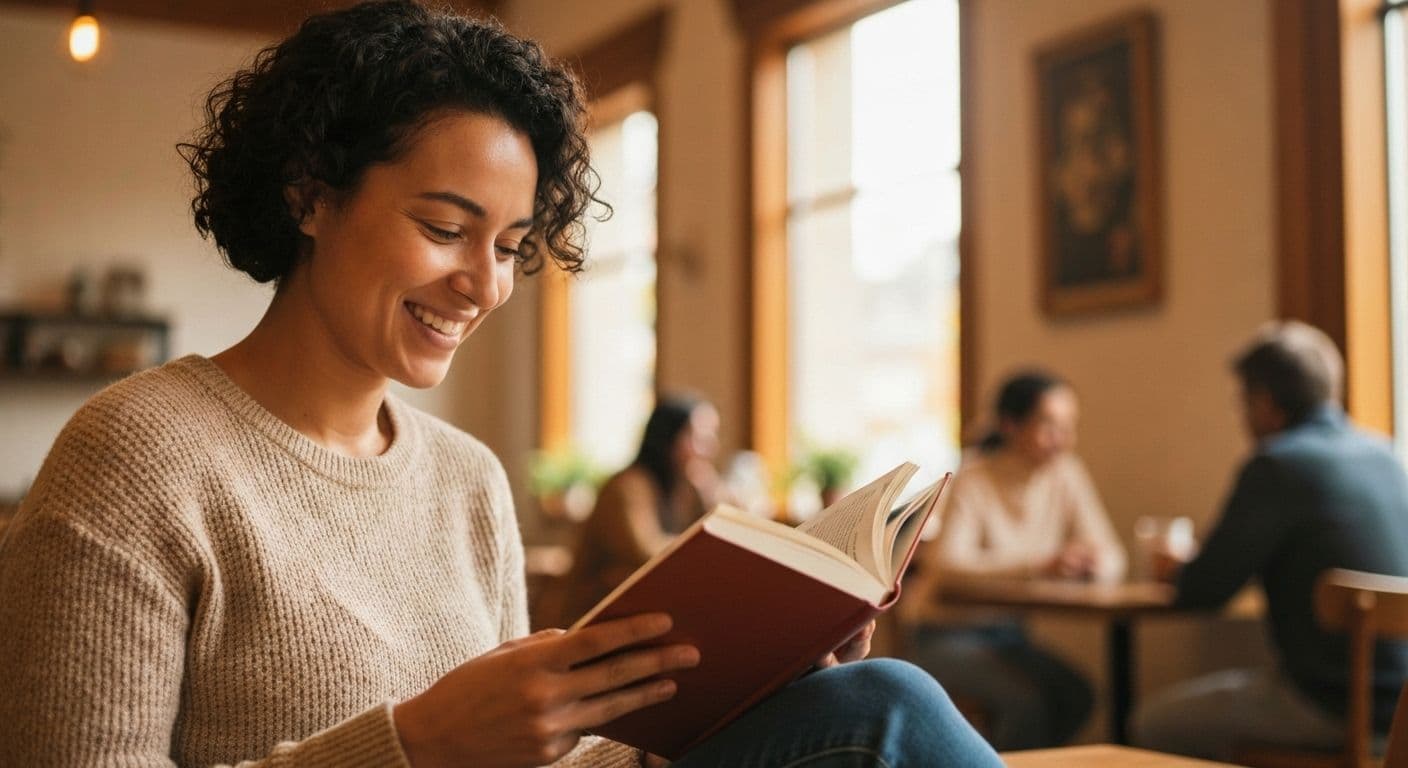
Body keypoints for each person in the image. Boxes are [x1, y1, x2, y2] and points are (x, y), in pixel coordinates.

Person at [0, 3, 1002, 766]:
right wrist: (413, 745)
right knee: (896, 714)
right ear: (310, 192)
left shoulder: (466, 480)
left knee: (869, 703)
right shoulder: (136, 457)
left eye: (513, 246)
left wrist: (738, 685)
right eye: (443, 228)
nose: (483, 285)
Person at [1132, 321, 1408, 760]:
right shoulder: (1386, 457)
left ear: (1263, 402)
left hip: (1330, 706)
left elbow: (1205, 589)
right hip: (1401, 711)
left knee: (1151, 722)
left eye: (1243, 403)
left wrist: (1177, 568)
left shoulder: (1277, 466)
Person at [903, 370, 1126, 749]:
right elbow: (947, 567)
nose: (1064, 439)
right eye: (1049, 425)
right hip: (945, 637)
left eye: (1070, 426)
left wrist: (1092, 565)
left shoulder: (1066, 475)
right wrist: (1039, 565)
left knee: (1078, 696)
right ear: (1010, 425)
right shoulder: (974, 480)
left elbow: (1112, 554)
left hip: (1009, 638)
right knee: (1027, 704)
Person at [558, 396, 724, 625]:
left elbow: (721, 537)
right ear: (669, 438)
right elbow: (645, 552)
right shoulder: (627, 486)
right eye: (699, 437)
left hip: (641, 614)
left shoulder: (685, 487)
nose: (710, 448)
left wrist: (710, 493)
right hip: (591, 617)